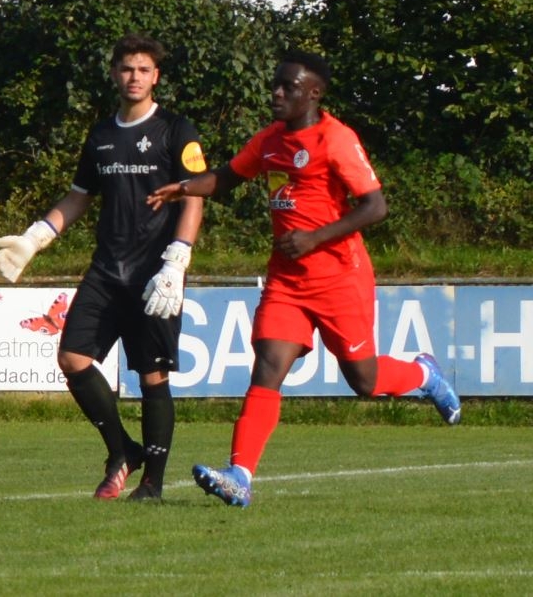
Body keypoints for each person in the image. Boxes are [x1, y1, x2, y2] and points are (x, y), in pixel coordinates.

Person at [146, 50, 461, 508]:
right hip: (287, 281)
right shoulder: (269, 140)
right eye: (275, 84)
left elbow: (375, 206)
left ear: (313, 93)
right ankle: (240, 476)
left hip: (339, 278)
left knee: (364, 380)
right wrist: (185, 186)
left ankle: (423, 374)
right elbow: (228, 178)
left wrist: (315, 238)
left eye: (287, 87)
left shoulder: (336, 139)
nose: (276, 93)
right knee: (268, 366)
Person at [0, 34, 206, 501]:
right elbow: (78, 197)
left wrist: (178, 258)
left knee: (152, 376)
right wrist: (35, 237)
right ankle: (122, 450)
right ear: (114, 74)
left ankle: (152, 485)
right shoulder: (102, 135)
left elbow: (194, 197)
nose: (134, 77)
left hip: (156, 273)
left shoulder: (176, 130)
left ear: (156, 77)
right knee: (71, 358)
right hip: (107, 270)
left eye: (143, 70)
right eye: (126, 69)